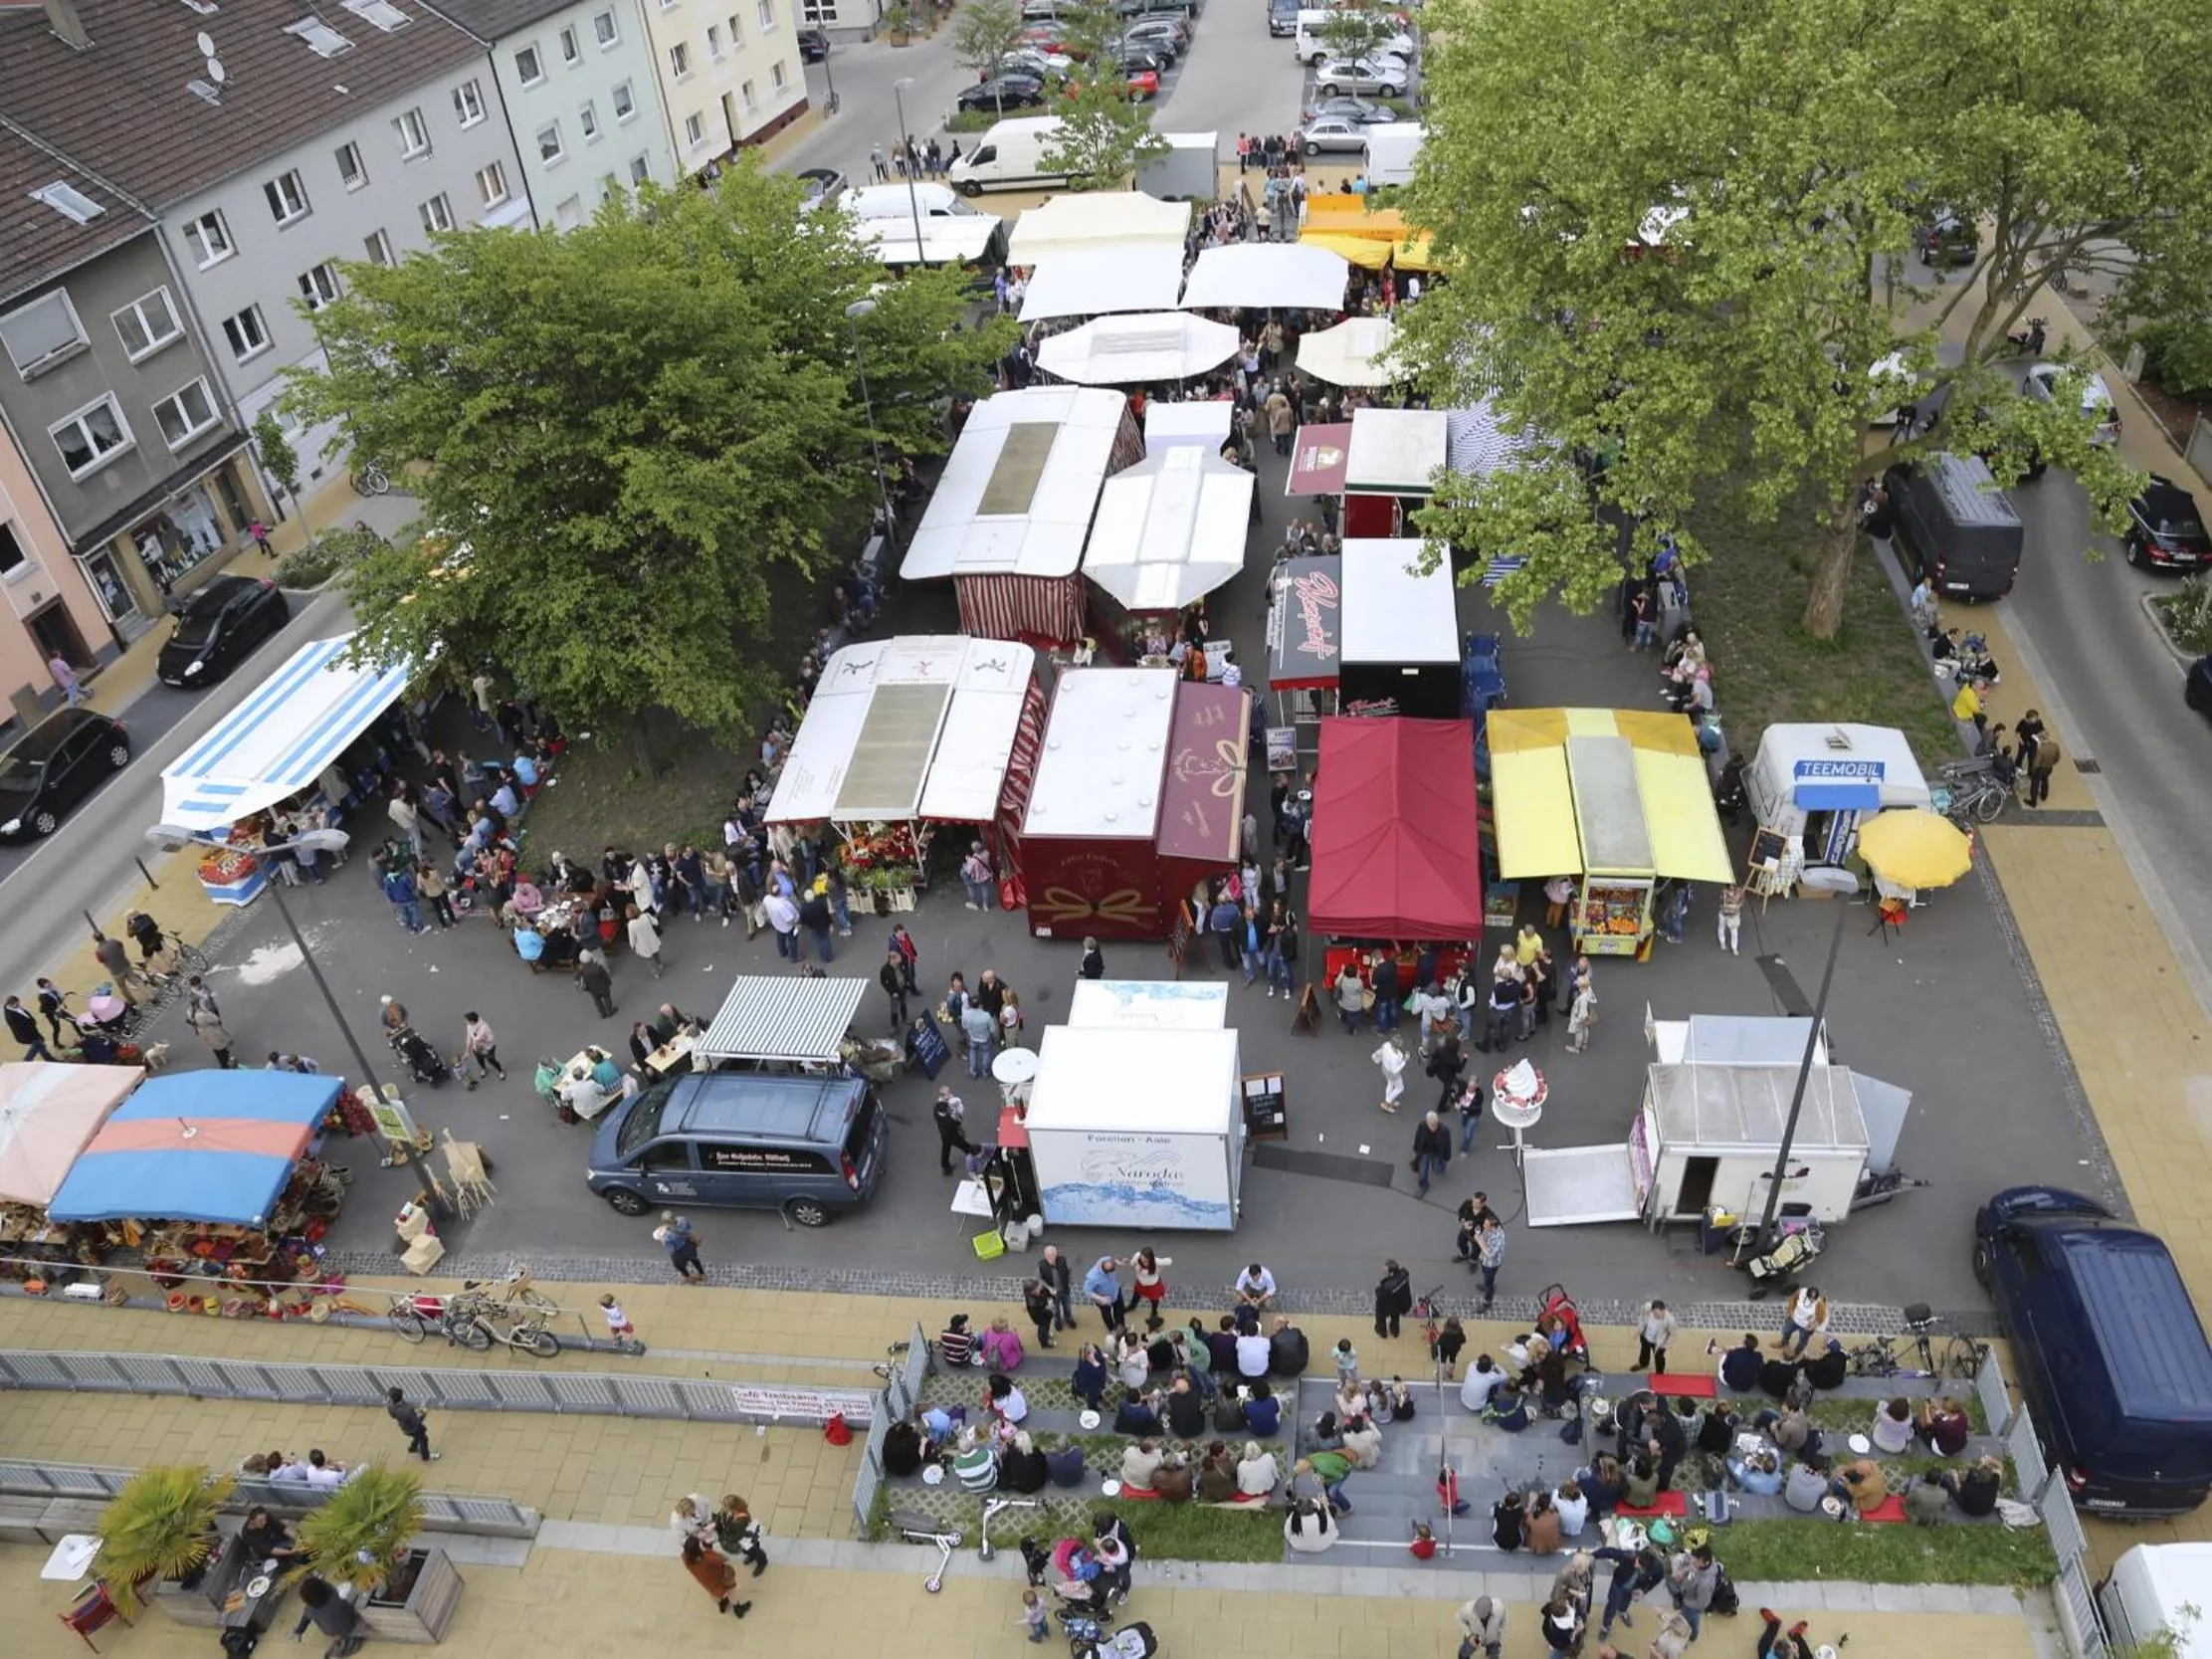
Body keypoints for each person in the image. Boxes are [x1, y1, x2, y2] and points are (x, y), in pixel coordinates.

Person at [293, 1575, 368, 1655]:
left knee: (310, 1616)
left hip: (332, 1631)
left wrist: (299, 1631)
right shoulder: (333, 1591)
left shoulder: (310, 1610)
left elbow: (305, 1619)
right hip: (351, 1621)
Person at [681, 1534, 751, 1617]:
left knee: (714, 1594)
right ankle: (738, 1609)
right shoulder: (707, 1559)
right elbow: (721, 1560)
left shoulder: (685, 1558)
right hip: (720, 1578)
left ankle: (722, 1605)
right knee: (731, 1590)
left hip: (707, 1582)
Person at [1941, 1453, 2004, 1517]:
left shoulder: (1970, 1488)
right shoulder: (1995, 1481)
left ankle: (1942, 1490)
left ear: (1977, 1477)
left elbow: (1959, 1490)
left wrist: (1955, 1477)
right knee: (1972, 1471)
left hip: (1970, 1510)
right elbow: (2000, 1466)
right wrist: (1988, 1460)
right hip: (1988, 1509)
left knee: (1947, 1479)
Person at [932, 1087, 977, 1176]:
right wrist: (958, 1119)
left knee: (946, 1148)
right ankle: (974, 1157)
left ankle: (945, 1166)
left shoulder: (936, 1111)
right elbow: (957, 1122)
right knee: (965, 1146)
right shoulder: (948, 1121)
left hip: (944, 1134)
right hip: (952, 1135)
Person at [386, 1386, 437, 1461]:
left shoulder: (390, 1405)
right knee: (424, 1439)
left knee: (417, 1436)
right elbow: (416, 1421)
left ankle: (412, 1448)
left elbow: (393, 1416)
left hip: (404, 1427)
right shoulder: (408, 1409)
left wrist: (414, 1413)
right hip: (413, 1428)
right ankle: (426, 1457)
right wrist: (424, 1413)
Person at [655, 1211, 706, 1283]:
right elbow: (689, 1230)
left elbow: (671, 1249)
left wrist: (662, 1239)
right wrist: (695, 1241)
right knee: (694, 1259)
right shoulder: (682, 1220)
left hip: (678, 1252)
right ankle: (702, 1274)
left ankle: (688, 1278)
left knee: (679, 1265)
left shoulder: (666, 1235)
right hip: (688, 1245)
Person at [1779, 1284, 1828, 1357]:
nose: (1812, 1301)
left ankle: (1796, 1352)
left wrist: (1813, 1325)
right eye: (1811, 1298)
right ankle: (1784, 1342)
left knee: (1802, 1341)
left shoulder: (1819, 1304)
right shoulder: (1800, 1293)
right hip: (1794, 1319)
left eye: (1814, 1299)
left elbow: (1821, 1318)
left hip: (1806, 1325)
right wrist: (1791, 1312)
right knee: (1786, 1331)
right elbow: (1792, 1300)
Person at [1411, 1109, 1452, 1194]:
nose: (1433, 1127)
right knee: (1422, 1171)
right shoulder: (1422, 1126)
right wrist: (1416, 1148)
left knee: (1437, 1168)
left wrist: (1447, 1156)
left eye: (1435, 1125)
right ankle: (1423, 1186)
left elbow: (1447, 1144)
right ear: (1427, 1122)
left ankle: (1441, 1168)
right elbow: (1418, 1137)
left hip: (1437, 1153)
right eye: (1431, 1125)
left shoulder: (1444, 1131)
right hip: (1425, 1152)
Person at [1633, 1300, 1679, 1373]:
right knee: (1644, 1352)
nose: (1655, 1316)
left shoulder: (1670, 1320)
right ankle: (1643, 1364)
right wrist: (1640, 1327)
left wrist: (1664, 1345)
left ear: (1663, 1310)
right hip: (1645, 1337)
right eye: (1654, 1313)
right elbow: (1642, 1315)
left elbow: (1673, 1335)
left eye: (1657, 1314)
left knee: (1659, 1358)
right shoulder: (1647, 1308)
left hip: (1659, 1344)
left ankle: (1659, 1373)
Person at [1085, 1255, 1125, 1332]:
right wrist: (1101, 1299)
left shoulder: (1105, 1259)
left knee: (1120, 1312)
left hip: (1116, 1292)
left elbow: (1112, 1261)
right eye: (1111, 1271)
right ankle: (1112, 1329)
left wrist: (1119, 1262)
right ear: (1105, 1272)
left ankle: (1120, 1327)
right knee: (1107, 1315)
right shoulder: (1092, 1277)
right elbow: (1087, 1291)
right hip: (1104, 1300)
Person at [1373, 1258, 1412, 1339]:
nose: (1384, 1272)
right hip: (1399, 1304)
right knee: (1395, 1318)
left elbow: (1379, 1294)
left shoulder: (1387, 1286)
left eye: (1385, 1271)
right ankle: (1395, 1331)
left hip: (1386, 1306)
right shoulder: (1404, 1274)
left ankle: (1382, 1331)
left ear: (1391, 1273)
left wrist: (1378, 1289)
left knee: (1380, 1317)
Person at [1475, 1215, 1506, 1312]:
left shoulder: (1497, 1237)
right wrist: (1480, 1237)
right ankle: (1486, 1285)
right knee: (1486, 1276)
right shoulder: (1489, 1230)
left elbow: (1490, 1254)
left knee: (1489, 1282)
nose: (1483, 1226)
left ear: (1492, 1227)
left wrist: (1479, 1241)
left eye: (1486, 1225)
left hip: (1491, 1264)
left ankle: (1487, 1301)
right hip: (1484, 1260)